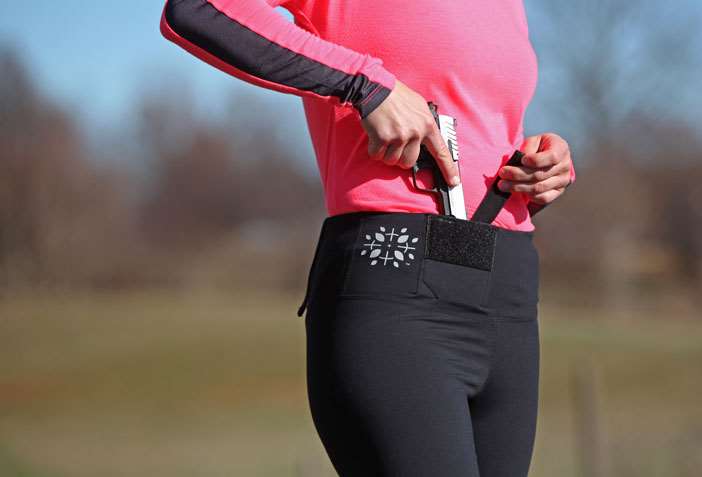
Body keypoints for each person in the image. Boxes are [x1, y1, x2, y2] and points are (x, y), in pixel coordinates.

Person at [160, 0, 575, 475]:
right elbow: (198, 10)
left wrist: (543, 172)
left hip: (509, 299)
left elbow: (480, 126)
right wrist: (362, 84)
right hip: (400, 297)